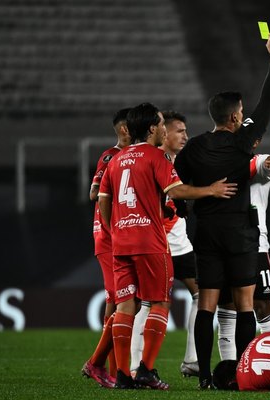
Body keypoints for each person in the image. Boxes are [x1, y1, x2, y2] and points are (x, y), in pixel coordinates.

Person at [98, 102, 237, 390]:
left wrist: (115, 229)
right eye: (162, 124)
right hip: (150, 241)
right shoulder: (156, 157)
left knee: (125, 306)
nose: (165, 129)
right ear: (151, 129)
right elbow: (178, 191)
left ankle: (123, 373)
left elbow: (102, 199)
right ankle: (147, 369)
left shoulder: (118, 159)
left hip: (122, 243)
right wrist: (211, 190)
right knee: (159, 302)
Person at [174, 33, 270, 389]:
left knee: (207, 305)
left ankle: (205, 376)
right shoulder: (242, 142)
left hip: (205, 232)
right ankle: (242, 374)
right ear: (236, 117)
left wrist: (198, 198)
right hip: (239, 233)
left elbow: (177, 190)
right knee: (245, 304)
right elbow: (267, 103)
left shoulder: (192, 148)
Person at [129, 110, 201, 378]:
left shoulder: (177, 161)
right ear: (163, 133)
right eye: (179, 130)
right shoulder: (153, 160)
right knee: (148, 302)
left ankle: (192, 359)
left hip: (179, 242)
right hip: (158, 242)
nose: (185, 135)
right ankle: (136, 365)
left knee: (202, 292)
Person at [217, 139, 270, 361]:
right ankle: (228, 368)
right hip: (222, 245)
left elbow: (267, 165)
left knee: (262, 306)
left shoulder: (258, 163)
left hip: (256, 246)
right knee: (226, 309)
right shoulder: (217, 164)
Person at [81, 107, 131, 388]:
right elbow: (94, 192)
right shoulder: (111, 156)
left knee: (118, 300)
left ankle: (111, 369)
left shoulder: (129, 156)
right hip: (109, 238)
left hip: (119, 238)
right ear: (124, 129)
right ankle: (100, 365)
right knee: (120, 299)